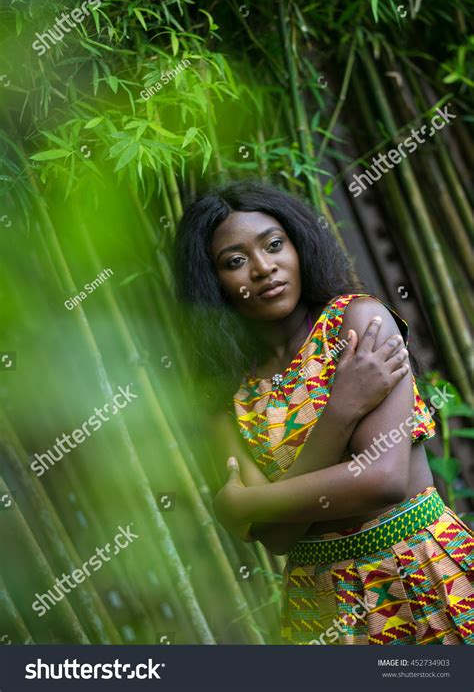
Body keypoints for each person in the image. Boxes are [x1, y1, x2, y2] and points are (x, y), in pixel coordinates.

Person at [172, 180, 473, 645]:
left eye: (274, 245)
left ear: (298, 245)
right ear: (213, 284)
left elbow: (383, 479)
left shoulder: (358, 323)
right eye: (235, 262)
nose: (263, 268)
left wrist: (246, 503)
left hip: (421, 572)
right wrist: (340, 413)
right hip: (320, 607)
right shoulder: (226, 390)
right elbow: (276, 540)